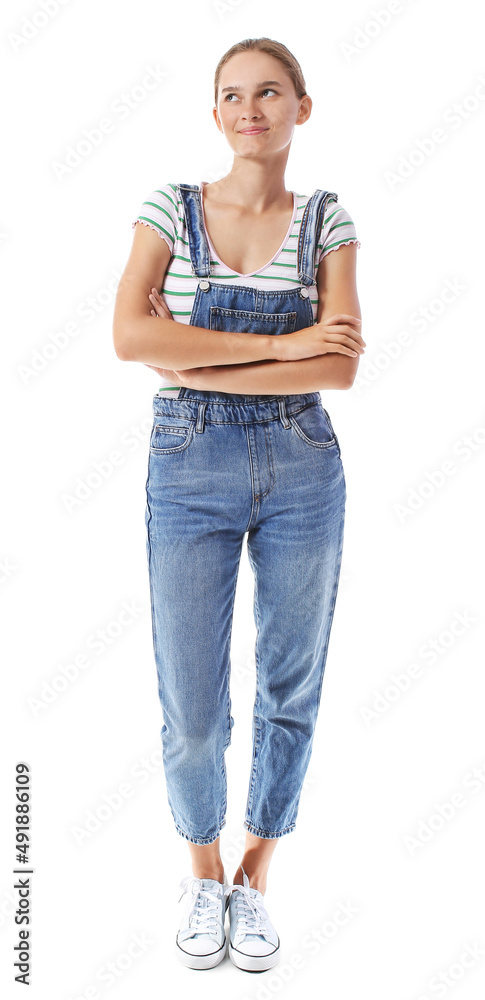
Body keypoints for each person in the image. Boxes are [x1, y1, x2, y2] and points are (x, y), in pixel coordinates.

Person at [112, 36, 364, 973]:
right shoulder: (167, 209)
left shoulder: (327, 220)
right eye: (231, 95)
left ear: (302, 106)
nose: (248, 109)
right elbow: (129, 337)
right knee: (192, 706)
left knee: (288, 689)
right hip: (187, 466)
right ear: (214, 112)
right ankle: (202, 872)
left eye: (268, 92)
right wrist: (283, 344)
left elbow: (339, 367)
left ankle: (255, 874)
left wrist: (194, 356)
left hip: (302, 465)